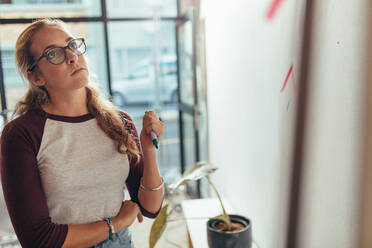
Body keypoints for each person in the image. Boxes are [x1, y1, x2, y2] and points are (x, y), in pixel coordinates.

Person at [0, 18, 165, 248]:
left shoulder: (119, 121)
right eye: (52, 54)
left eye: (72, 45)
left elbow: (150, 207)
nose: (71, 56)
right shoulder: (21, 134)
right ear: (36, 77)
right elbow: (38, 240)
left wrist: (149, 150)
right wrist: (116, 223)